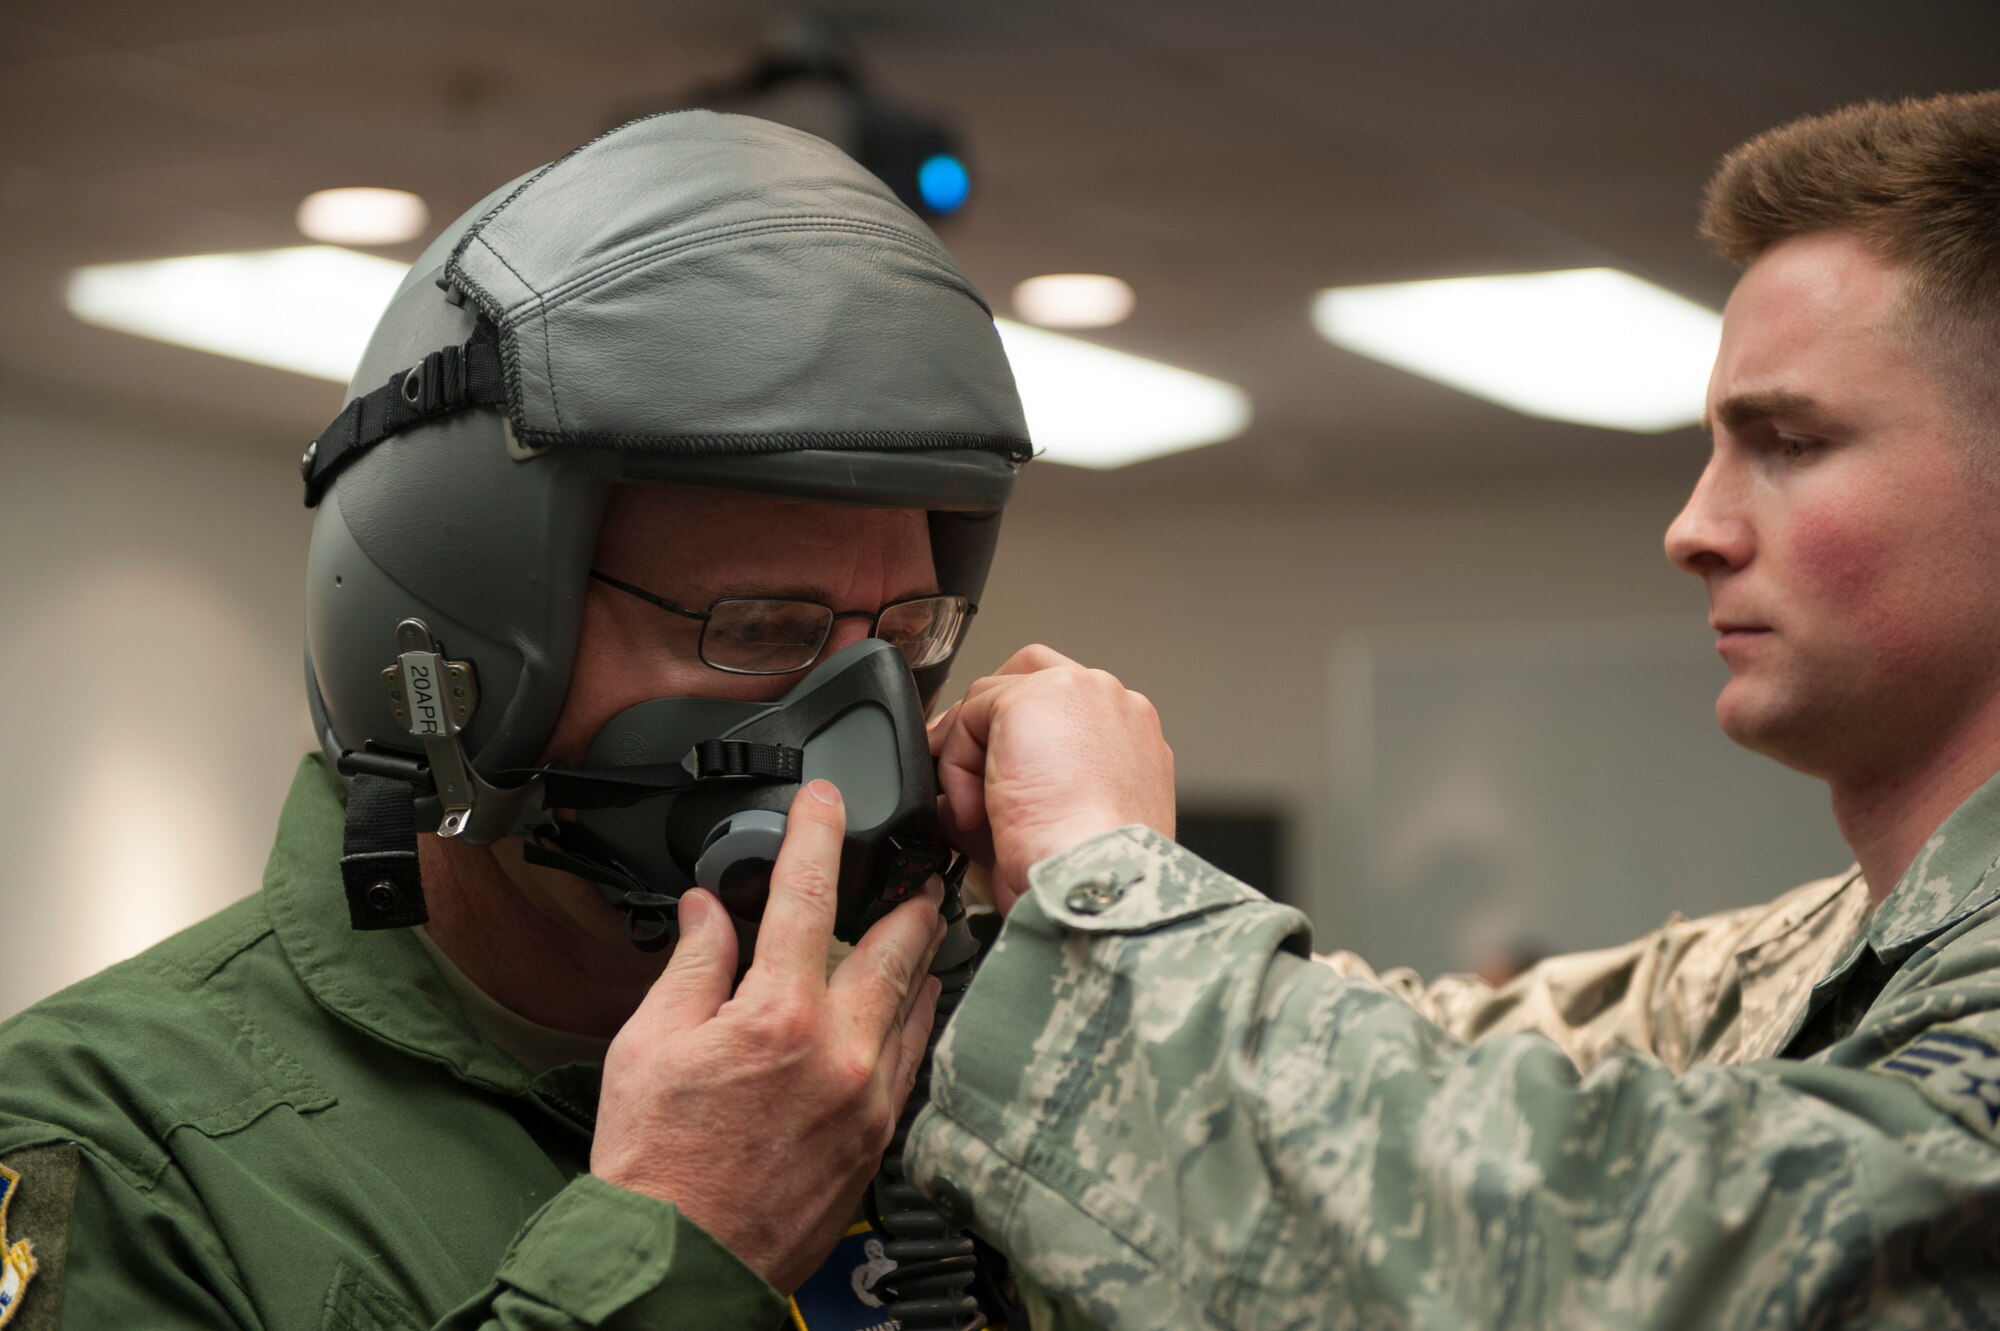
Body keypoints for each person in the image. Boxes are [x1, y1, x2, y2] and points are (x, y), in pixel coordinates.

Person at [904, 91, 2000, 1327]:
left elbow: (1593, 1259)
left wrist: (1104, 882)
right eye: (1711, 449)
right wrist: (972, 944)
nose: (1693, 527)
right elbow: (1435, 1060)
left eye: (1788, 442)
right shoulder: (1823, 949)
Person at [0, 111, 1033, 1328]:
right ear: (453, 650)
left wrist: (1117, 948)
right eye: (757, 628)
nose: (862, 735)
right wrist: (681, 1242)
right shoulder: (119, 1149)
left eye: (904, 632)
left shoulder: (920, 1059)